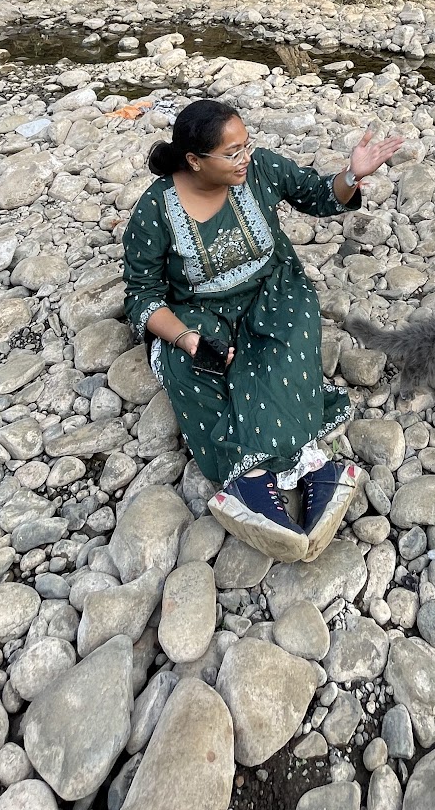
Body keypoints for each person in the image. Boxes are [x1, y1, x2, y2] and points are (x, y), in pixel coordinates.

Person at [123, 101, 403, 561]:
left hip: (272, 293)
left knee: (284, 350)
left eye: (246, 146)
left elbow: (317, 195)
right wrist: (187, 339)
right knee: (186, 366)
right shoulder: (154, 211)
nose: (245, 158)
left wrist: (351, 175)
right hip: (199, 310)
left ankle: (289, 477)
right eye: (232, 153)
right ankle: (282, 476)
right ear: (195, 160)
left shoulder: (262, 170)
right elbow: (142, 295)